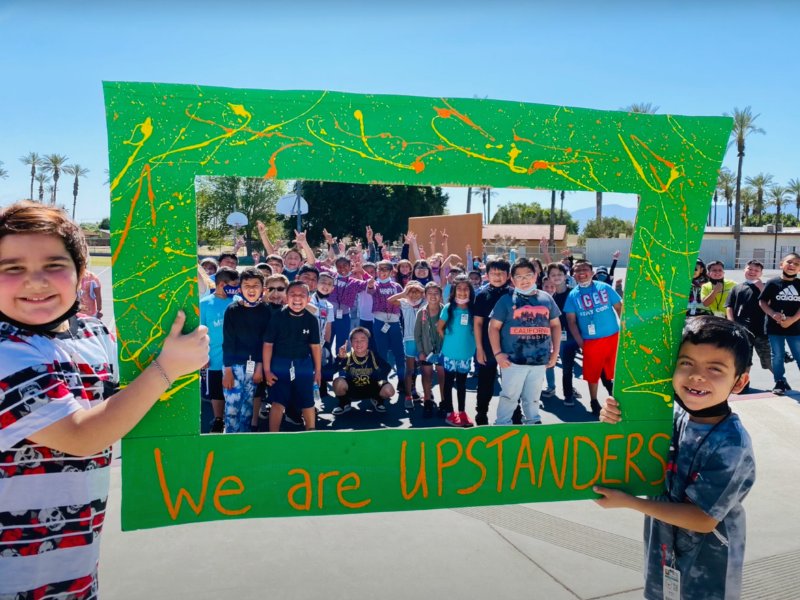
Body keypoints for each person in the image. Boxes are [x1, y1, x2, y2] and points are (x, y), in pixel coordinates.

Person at [0, 201, 209, 598]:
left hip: (75, 568)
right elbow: (82, 437)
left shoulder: (94, 334)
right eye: (13, 268)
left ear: (82, 274)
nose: (36, 281)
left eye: (53, 265)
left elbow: (131, 391)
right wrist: (166, 369)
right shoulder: (6, 352)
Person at [595, 316, 755, 600]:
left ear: (740, 381)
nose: (696, 375)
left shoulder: (731, 444)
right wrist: (615, 419)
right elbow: (630, 446)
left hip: (710, 562)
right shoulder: (670, 416)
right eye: (686, 363)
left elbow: (703, 519)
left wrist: (630, 503)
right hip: (663, 546)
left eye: (715, 368)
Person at [489, 258, 561, 426]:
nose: (524, 280)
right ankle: (502, 426)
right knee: (509, 397)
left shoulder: (547, 299)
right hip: (513, 362)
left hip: (539, 361)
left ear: (535, 276)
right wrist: (498, 354)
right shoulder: (506, 300)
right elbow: (493, 328)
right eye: (519, 277)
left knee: (533, 398)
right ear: (512, 280)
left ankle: (533, 424)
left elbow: (556, 326)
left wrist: (555, 352)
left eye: (528, 275)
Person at [564, 259, 623, 415]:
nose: (581, 273)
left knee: (616, 371)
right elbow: (571, 322)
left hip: (613, 336)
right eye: (577, 270)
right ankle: (594, 400)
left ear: (592, 272)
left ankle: (616, 398)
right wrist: (581, 343)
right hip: (590, 341)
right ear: (573, 275)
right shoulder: (572, 295)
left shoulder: (605, 288)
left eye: (585, 269)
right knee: (593, 373)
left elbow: (619, 308)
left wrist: (625, 331)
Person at [263, 281, 321, 431]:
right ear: (286, 298)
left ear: (308, 299)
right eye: (293, 295)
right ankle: (273, 436)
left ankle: (311, 433)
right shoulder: (277, 318)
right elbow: (268, 345)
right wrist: (267, 371)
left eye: (302, 295)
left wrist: (318, 371)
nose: (297, 298)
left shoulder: (312, 320)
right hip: (280, 365)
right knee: (277, 402)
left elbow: (315, 347)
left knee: (308, 402)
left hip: (303, 365)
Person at [221, 268, 271, 433]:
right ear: (240, 288)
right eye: (246, 285)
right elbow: (228, 342)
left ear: (262, 289)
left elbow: (263, 342)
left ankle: (244, 440)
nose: (251, 289)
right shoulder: (232, 309)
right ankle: (230, 439)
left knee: (248, 406)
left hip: (254, 367)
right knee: (232, 407)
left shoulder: (266, 311)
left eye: (255, 285)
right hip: (233, 366)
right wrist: (228, 371)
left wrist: (259, 367)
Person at [200, 266, 239, 433]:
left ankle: (234, 420)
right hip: (213, 359)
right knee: (216, 392)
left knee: (234, 390)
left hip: (236, 358)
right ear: (222, 284)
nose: (237, 289)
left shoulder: (238, 301)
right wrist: (203, 356)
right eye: (234, 285)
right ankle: (218, 419)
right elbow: (200, 331)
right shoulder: (204, 304)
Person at [473, 257, 511, 425]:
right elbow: (478, 323)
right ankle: (481, 414)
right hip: (487, 347)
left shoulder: (513, 294)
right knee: (485, 383)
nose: (497, 276)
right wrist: (479, 349)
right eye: (493, 273)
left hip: (510, 347)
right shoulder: (482, 295)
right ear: (487, 275)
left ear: (508, 275)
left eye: (501, 273)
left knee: (512, 384)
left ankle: (515, 414)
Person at [437, 275, 477, 426]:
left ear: (470, 291)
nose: (462, 292)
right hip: (449, 354)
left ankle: (462, 412)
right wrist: (448, 342)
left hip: (466, 354)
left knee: (462, 384)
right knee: (448, 383)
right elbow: (440, 328)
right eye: (459, 289)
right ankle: (450, 413)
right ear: (454, 291)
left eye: (466, 289)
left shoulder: (474, 308)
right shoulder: (449, 308)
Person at [725, 260, 771, 390]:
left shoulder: (767, 286)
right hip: (742, 330)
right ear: (744, 270)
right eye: (750, 269)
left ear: (761, 274)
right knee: (745, 360)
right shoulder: (737, 288)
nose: (752, 272)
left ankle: (781, 382)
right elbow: (729, 306)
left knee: (768, 360)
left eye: (756, 271)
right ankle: (743, 386)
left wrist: (762, 287)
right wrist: (731, 323)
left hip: (762, 331)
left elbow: (772, 303)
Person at [758, 252, 800, 395]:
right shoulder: (772, 283)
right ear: (781, 264)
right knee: (777, 355)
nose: (792, 265)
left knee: (799, 354)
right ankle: (779, 382)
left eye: (796, 264)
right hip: (774, 327)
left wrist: (792, 319)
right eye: (789, 262)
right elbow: (762, 301)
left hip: (796, 328)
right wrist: (772, 313)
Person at [331, 327, 395, 415]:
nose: (359, 343)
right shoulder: (348, 357)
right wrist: (339, 358)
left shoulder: (373, 355)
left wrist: (380, 379)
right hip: (352, 390)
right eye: (355, 340)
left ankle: (377, 399)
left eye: (362, 340)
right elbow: (331, 371)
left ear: (368, 342)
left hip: (372, 390)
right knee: (337, 382)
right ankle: (344, 403)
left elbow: (387, 367)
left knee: (389, 389)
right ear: (351, 343)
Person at [545, 263, 583, 406]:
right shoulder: (550, 298)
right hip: (557, 336)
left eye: (559, 274)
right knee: (553, 363)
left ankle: (568, 393)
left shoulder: (574, 293)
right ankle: (556, 389)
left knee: (568, 366)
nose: (556, 277)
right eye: (553, 275)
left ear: (565, 276)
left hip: (574, 336)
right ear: (549, 277)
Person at [368, 260, 405, 396]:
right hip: (379, 321)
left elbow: (403, 301)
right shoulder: (375, 285)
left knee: (399, 353)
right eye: (379, 269)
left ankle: (402, 380)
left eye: (385, 269)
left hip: (394, 322)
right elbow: (370, 290)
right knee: (381, 352)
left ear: (391, 271)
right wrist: (370, 285)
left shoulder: (397, 286)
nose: (382, 272)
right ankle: (382, 379)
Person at [388, 281, 426, 408]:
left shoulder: (426, 303)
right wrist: (404, 293)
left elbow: (437, 299)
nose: (414, 295)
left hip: (424, 340)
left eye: (417, 292)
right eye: (411, 292)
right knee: (410, 369)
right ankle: (408, 395)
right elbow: (390, 300)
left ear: (422, 293)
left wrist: (424, 292)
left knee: (425, 369)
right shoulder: (404, 303)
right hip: (409, 339)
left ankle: (427, 394)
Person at [414, 282, 446, 418]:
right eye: (430, 293)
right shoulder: (421, 313)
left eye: (436, 293)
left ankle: (444, 403)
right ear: (425, 296)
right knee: (427, 377)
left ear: (440, 295)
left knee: (442, 378)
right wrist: (421, 351)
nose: (433, 296)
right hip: (426, 352)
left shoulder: (446, 311)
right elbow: (417, 334)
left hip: (443, 351)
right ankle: (428, 401)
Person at [329, 255, 370, 354]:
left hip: (344, 317)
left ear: (350, 266)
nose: (342, 268)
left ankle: (341, 366)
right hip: (328, 316)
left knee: (341, 344)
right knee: (326, 342)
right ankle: (326, 365)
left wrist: (361, 271)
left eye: (345, 265)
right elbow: (315, 265)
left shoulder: (354, 282)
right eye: (338, 266)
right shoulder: (331, 278)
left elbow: (372, 283)